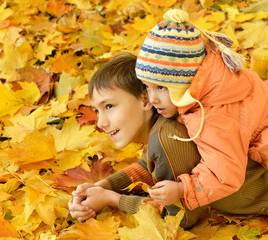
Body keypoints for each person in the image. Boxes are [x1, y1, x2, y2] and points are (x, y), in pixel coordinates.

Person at [135, 9, 268, 214]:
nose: (152, 99)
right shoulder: (217, 78)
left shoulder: (211, 117)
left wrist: (182, 189)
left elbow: (225, 173)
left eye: (161, 88)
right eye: (147, 86)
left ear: (186, 83)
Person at [69, 52, 202, 229]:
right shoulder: (160, 128)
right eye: (97, 110)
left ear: (145, 99)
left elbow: (180, 217)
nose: (101, 123)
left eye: (109, 106)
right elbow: (150, 165)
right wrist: (105, 186)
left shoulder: (167, 139)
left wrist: (113, 199)